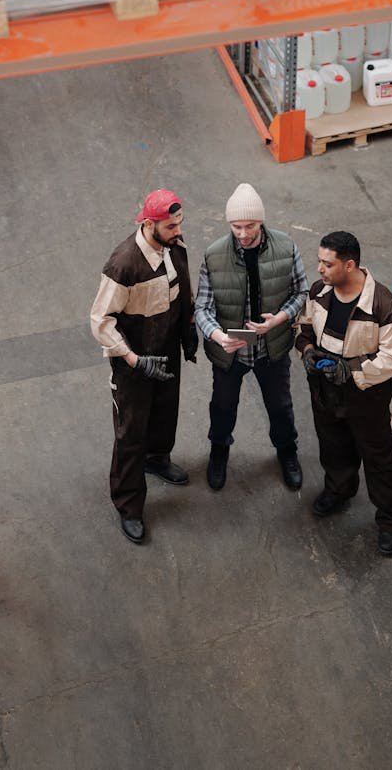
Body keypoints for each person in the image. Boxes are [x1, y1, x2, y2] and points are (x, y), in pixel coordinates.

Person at [90, 189, 198, 545]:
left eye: (179, 223)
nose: (178, 231)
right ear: (150, 224)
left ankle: (157, 459)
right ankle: (129, 505)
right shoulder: (124, 264)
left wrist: (188, 331)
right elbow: (100, 321)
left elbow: (182, 289)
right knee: (131, 433)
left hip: (166, 347)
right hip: (134, 359)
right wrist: (134, 360)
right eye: (171, 226)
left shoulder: (174, 246)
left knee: (165, 412)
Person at [296, 230, 392, 556]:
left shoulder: (384, 307)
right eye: (319, 261)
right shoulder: (319, 292)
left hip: (365, 396)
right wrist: (307, 351)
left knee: (378, 456)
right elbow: (304, 327)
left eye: (327, 264)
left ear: (349, 265)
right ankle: (339, 490)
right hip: (324, 388)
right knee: (333, 445)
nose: (319, 269)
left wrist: (350, 369)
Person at [195, 183, 309, 492]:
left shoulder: (286, 247)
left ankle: (287, 451)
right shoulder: (214, 255)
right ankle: (219, 452)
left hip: (272, 348)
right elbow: (202, 307)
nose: (243, 234)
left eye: (250, 226)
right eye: (236, 226)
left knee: (280, 406)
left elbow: (301, 291)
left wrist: (280, 318)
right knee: (223, 406)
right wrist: (218, 336)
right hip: (230, 351)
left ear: (261, 221)